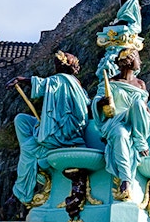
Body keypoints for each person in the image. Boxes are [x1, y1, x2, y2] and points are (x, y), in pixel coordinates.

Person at [8, 51, 89, 205]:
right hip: (65, 129)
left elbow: (41, 84)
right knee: (22, 120)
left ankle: (21, 193)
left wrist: (21, 79)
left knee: (28, 148)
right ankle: (36, 150)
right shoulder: (75, 83)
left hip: (62, 134)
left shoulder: (60, 79)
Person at [93, 47, 150, 201]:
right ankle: (126, 180)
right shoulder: (112, 82)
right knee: (120, 135)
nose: (140, 62)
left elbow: (146, 110)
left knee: (138, 104)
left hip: (137, 123)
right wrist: (101, 102)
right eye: (138, 58)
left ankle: (139, 141)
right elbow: (95, 102)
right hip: (116, 122)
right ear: (129, 61)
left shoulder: (140, 84)